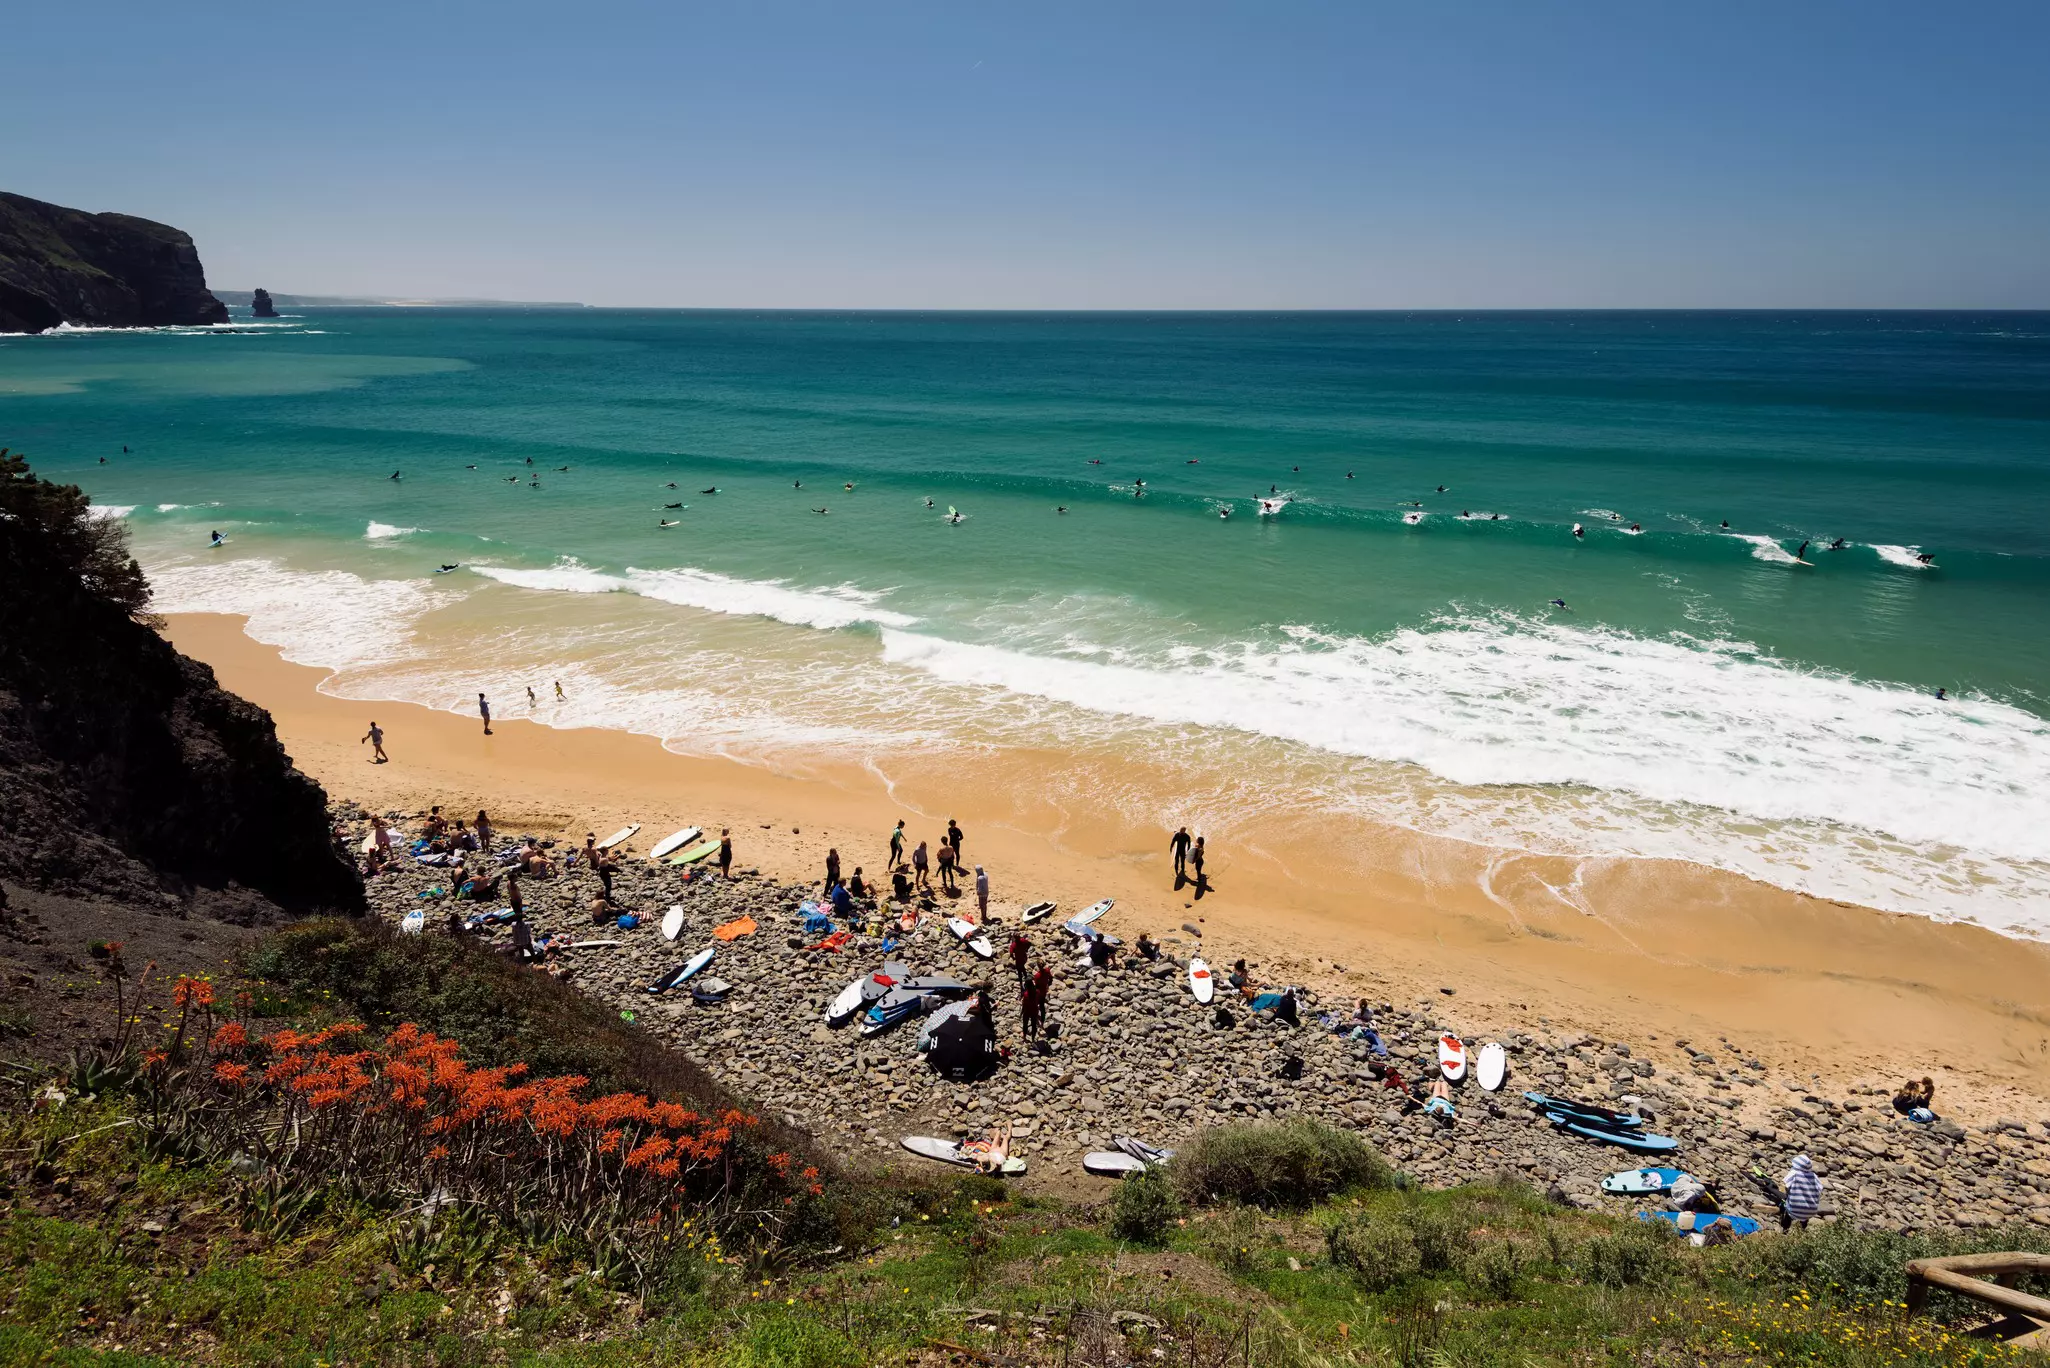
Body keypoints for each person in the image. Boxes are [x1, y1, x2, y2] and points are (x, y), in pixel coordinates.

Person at [1781, 1155, 1822, 1230]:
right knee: (1804, 1217)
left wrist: (1789, 1195)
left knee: (1787, 1210)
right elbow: (1820, 1189)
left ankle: (1785, 1228)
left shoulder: (1794, 1173)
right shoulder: (1814, 1176)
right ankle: (1803, 1228)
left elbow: (1787, 1187)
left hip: (1793, 1210)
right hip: (1811, 1211)